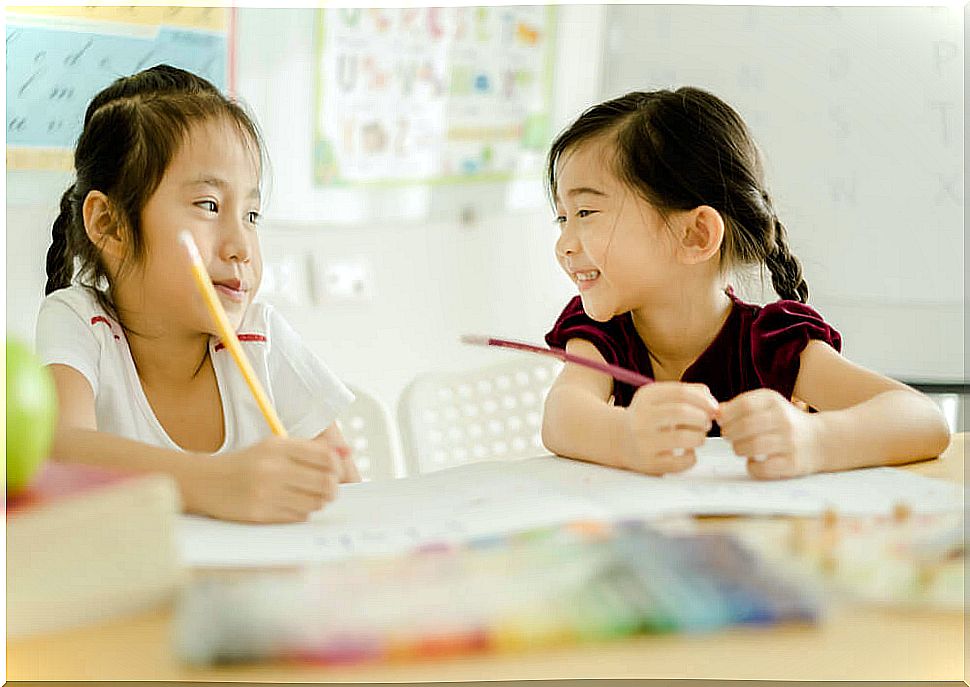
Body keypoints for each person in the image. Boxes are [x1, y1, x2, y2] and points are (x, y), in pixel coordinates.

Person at [542, 87, 950, 479]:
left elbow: (925, 421)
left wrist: (813, 439)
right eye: (563, 218)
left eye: (586, 212)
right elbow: (563, 416)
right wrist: (626, 437)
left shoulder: (771, 342)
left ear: (696, 235)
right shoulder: (601, 332)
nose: (564, 244)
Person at [36, 64, 358, 523]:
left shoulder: (261, 339)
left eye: (251, 214)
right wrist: (212, 483)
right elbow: (60, 451)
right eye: (209, 205)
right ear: (108, 224)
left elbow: (350, 497)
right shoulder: (78, 318)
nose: (241, 247)